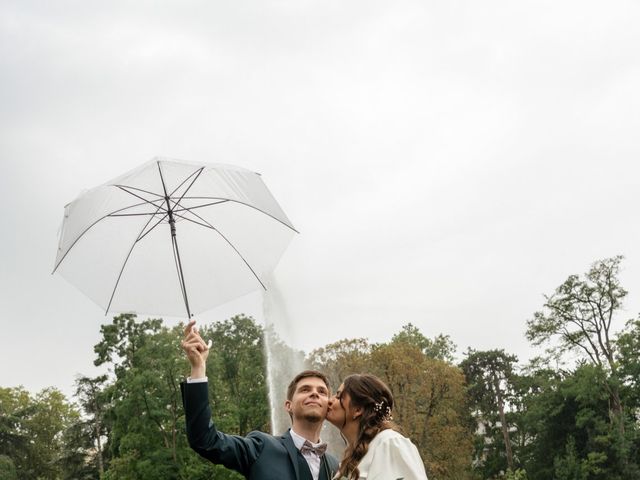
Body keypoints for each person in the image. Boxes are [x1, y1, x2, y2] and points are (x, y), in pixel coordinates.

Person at [181, 320, 339, 480]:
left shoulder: (335, 466)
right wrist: (198, 368)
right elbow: (205, 439)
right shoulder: (261, 447)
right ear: (288, 405)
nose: (314, 393)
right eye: (305, 389)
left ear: (328, 406)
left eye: (322, 391)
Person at [326, 373, 428, 480]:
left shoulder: (390, 443)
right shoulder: (349, 459)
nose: (329, 401)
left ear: (358, 409)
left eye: (338, 396)